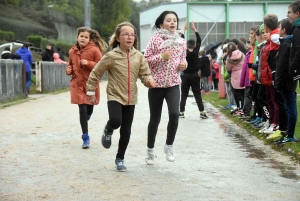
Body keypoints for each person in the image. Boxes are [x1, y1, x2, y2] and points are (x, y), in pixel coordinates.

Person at [86, 22, 156, 172]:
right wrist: (91, 92)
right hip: (115, 95)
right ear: (118, 38)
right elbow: (95, 73)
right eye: (125, 34)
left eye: (132, 34)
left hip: (131, 98)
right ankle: (109, 128)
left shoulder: (139, 56)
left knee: (126, 131)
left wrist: (149, 81)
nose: (129, 37)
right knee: (116, 121)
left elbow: (144, 74)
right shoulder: (111, 56)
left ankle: (120, 158)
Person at [143, 11, 187, 165]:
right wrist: (161, 57)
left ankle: (169, 146)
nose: (172, 23)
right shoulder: (155, 40)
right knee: (155, 118)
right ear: (162, 24)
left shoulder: (181, 41)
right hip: (156, 84)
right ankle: (150, 151)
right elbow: (146, 60)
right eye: (169, 20)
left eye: (175, 20)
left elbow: (183, 60)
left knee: (175, 114)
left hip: (174, 84)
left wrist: (184, 65)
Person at [66, 27, 107, 149]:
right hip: (77, 85)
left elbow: (102, 66)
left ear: (89, 39)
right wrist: (68, 70)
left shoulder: (94, 50)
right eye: (81, 36)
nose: (83, 38)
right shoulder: (72, 51)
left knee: (89, 109)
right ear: (77, 38)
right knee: (82, 110)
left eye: (86, 37)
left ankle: (87, 116)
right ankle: (85, 136)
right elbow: (70, 65)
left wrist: (88, 63)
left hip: (90, 85)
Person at [273, 19, 298, 144]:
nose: (278, 29)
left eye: (279, 27)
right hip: (289, 80)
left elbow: (282, 66)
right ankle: (289, 133)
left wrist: (278, 82)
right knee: (290, 107)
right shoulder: (288, 43)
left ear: (283, 30)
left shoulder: (286, 45)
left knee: (290, 108)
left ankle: (290, 134)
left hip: (285, 82)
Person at [179, 22, 208, 119]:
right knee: (197, 94)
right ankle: (202, 112)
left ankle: (181, 112)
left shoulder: (184, 51)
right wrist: (195, 30)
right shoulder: (196, 52)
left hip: (185, 75)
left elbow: (180, 41)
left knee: (184, 94)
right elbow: (199, 40)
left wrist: (184, 30)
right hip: (195, 75)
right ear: (195, 46)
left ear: (186, 45)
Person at [226, 42, 245, 114]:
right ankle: (243, 108)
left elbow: (228, 68)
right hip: (243, 74)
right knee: (243, 93)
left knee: (237, 93)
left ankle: (239, 108)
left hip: (235, 75)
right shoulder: (241, 54)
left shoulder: (229, 56)